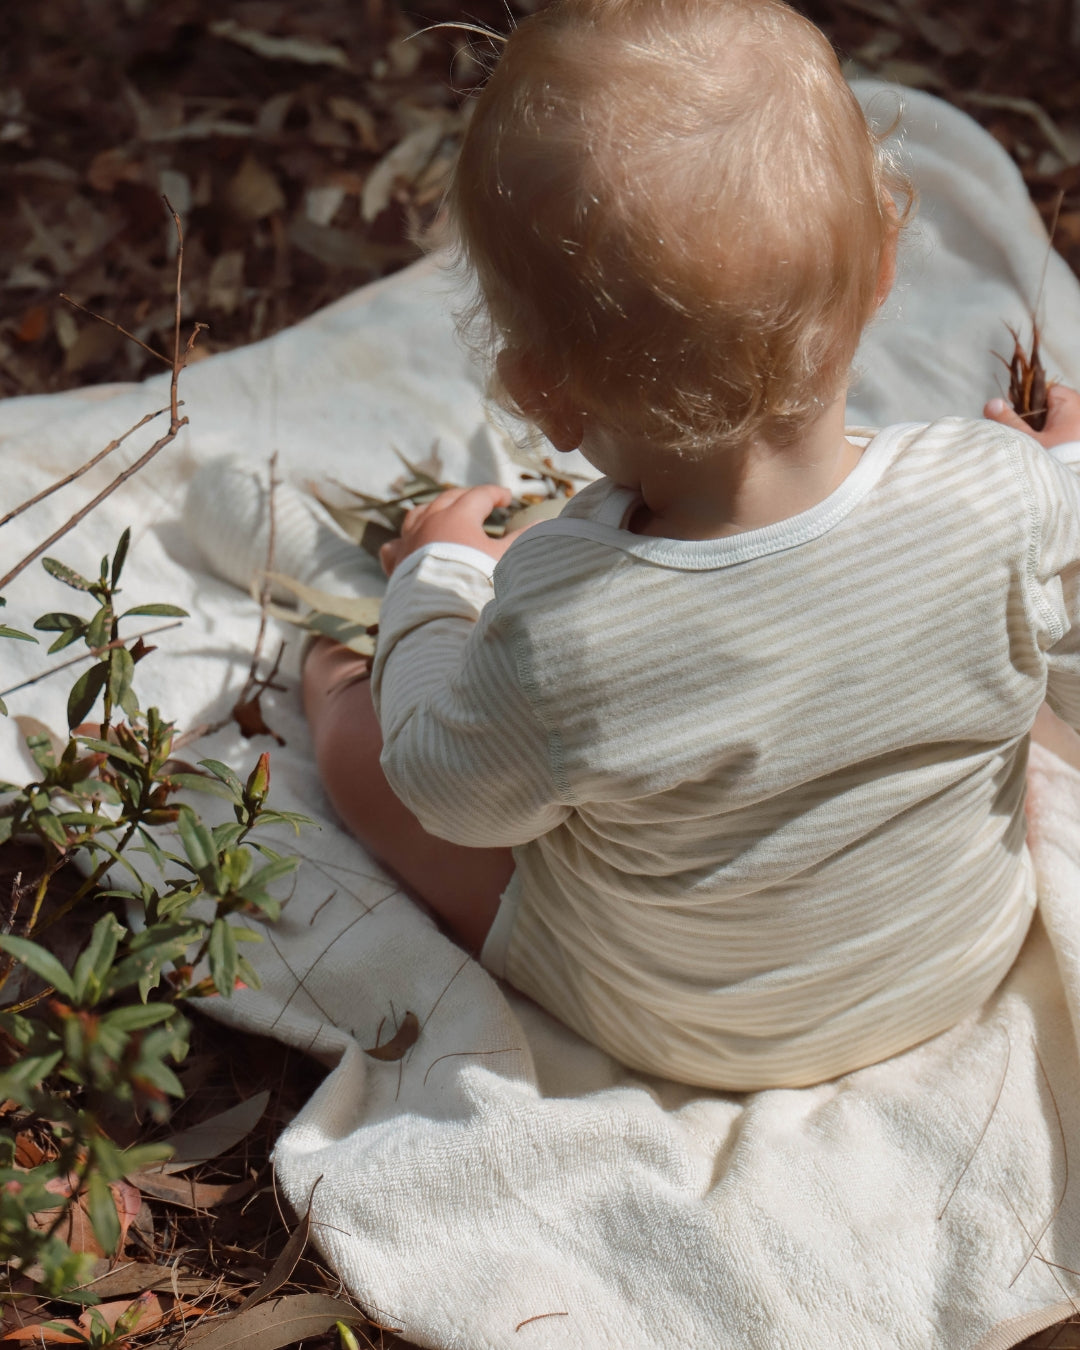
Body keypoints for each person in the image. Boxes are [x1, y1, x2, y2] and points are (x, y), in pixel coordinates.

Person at [188, 0, 1080, 1092]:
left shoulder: (562, 620)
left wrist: (436, 579)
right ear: (887, 265)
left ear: (542, 396)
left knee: (374, 759)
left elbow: (452, 794)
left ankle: (325, 697)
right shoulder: (1000, 495)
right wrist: (1063, 460)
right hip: (951, 959)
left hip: (679, 1024)